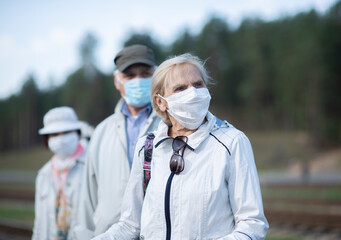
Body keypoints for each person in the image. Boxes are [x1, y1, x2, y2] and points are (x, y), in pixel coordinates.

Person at [94, 53, 269, 239]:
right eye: (180, 88)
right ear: (161, 102)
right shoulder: (147, 147)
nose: (193, 93)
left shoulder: (232, 142)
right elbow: (130, 226)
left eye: (198, 84)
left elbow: (252, 224)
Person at [74, 44, 162, 239]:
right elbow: (88, 197)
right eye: (130, 75)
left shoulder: (170, 123)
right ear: (117, 80)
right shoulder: (102, 132)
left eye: (145, 73)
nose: (138, 80)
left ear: (156, 76)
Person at [32, 106, 86, 240]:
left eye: (66, 132)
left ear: (77, 133)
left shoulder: (91, 166)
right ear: (47, 139)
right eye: (55, 134)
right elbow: (39, 223)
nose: (61, 139)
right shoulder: (43, 175)